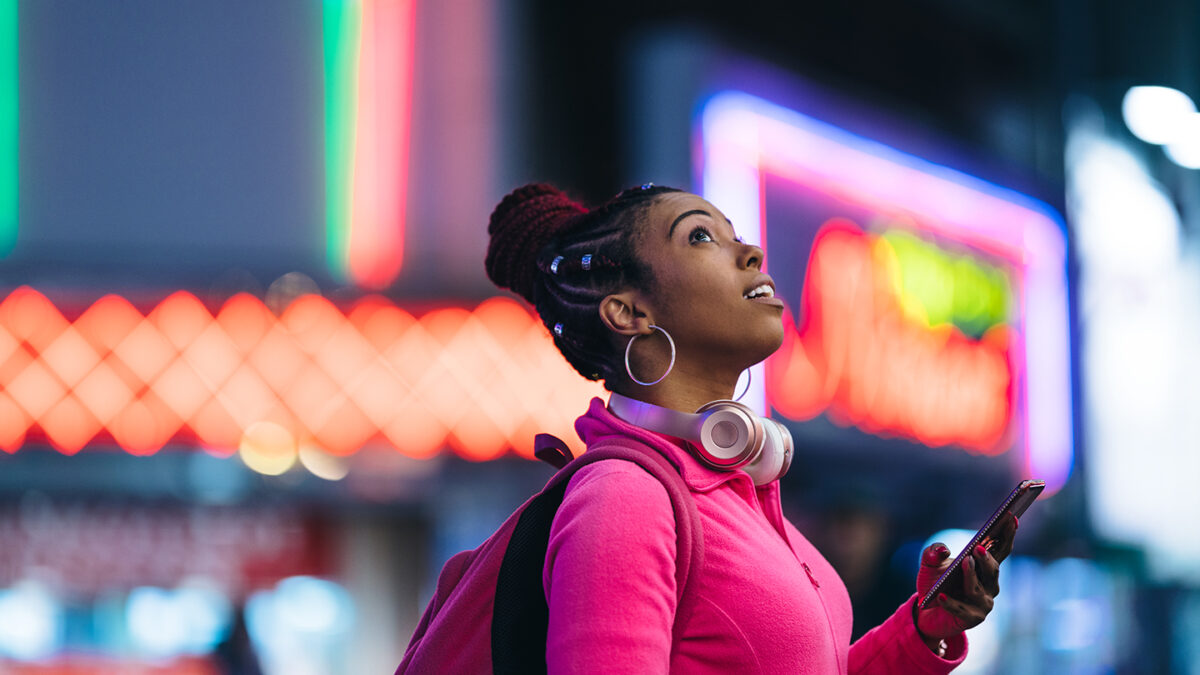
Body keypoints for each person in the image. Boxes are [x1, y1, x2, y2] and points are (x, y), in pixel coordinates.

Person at [483, 182, 1018, 673]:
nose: (752, 253)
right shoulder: (626, 499)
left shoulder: (733, 488)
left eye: (734, 235)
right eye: (700, 236)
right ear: (629, 313)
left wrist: (921, 631)